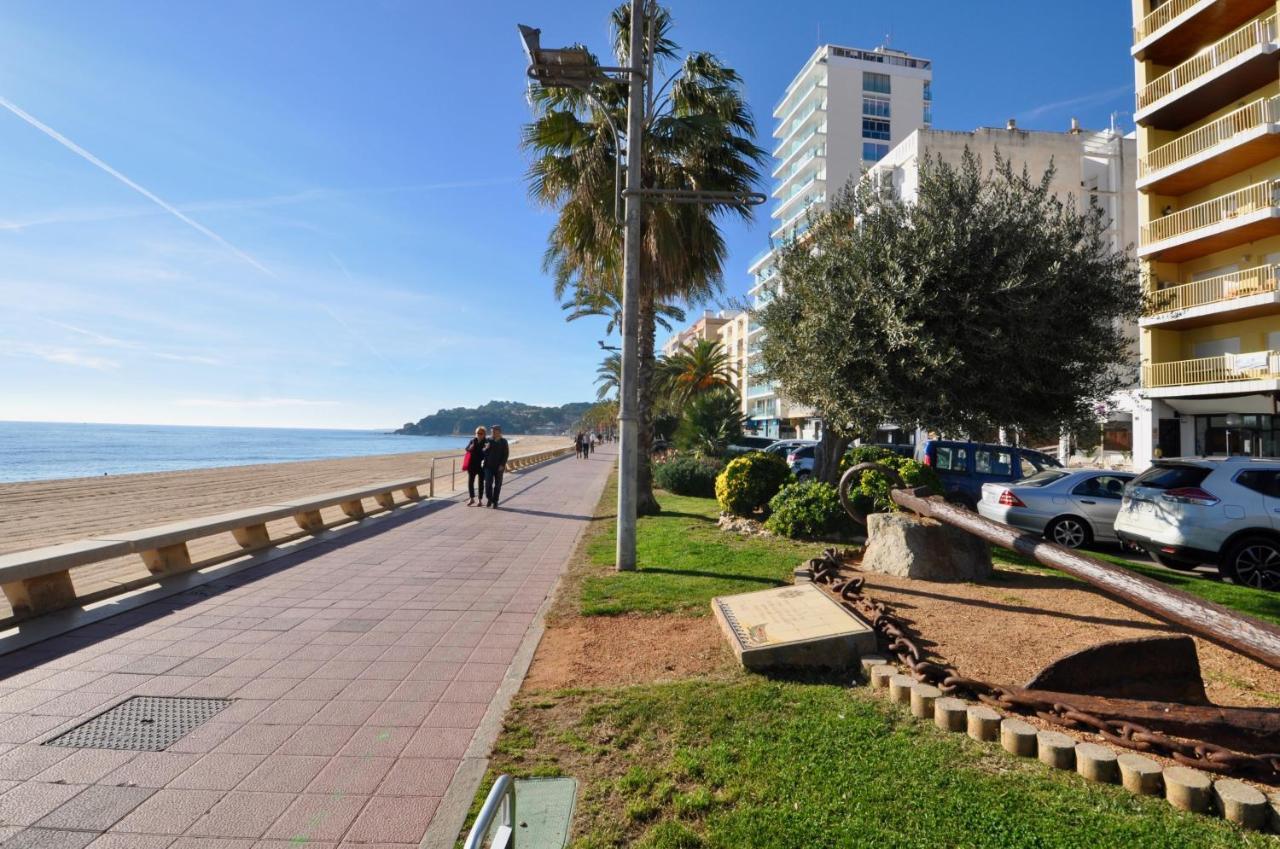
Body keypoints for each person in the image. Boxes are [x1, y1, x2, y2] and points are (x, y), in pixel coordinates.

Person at [485, 424, 509, 508]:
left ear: (499, 431)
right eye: (492, 430)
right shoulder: (488, 440)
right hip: (488, 466)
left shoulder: (503, 441)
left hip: (499, 467)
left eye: (495, 430)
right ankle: (489, 499)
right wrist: (486, 448)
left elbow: (506, 454)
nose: (493, 432)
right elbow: (484, 452)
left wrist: (502, 465)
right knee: (488, 483)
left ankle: (495, 501)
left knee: (498, 485)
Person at [464, 426, 487, 506]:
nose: (478, 435)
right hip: (472, 465)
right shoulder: (473, 441)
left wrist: (485, 450)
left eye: (480, 433)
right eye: (477, 433)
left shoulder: (486, 442)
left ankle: (480, 500)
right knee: (470, 482)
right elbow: (466, 449)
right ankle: (471, 498)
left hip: (481, 465)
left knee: (481, 483)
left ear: (484, 434)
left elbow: (487, 453)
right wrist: (470, 447)